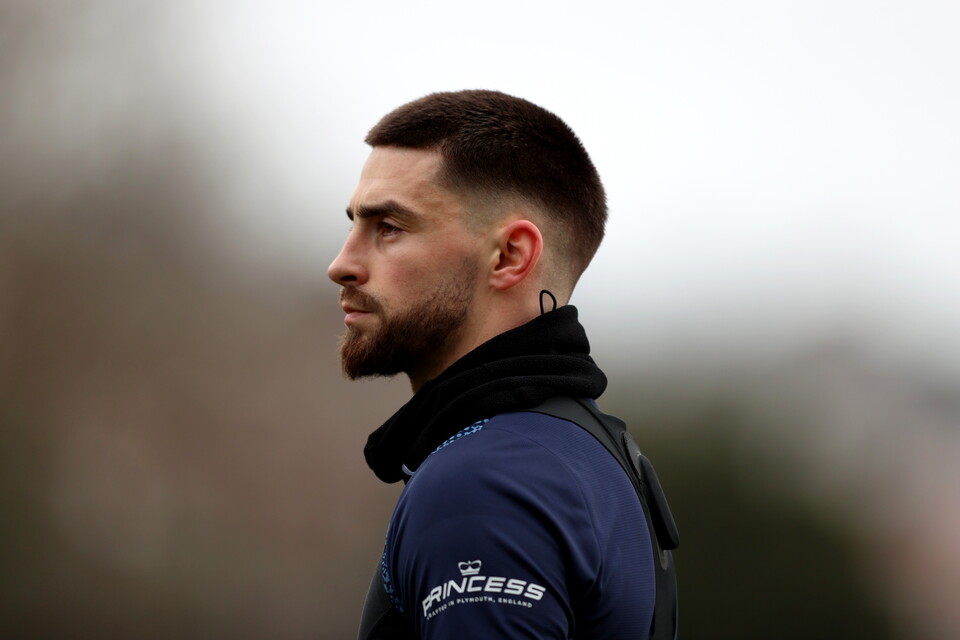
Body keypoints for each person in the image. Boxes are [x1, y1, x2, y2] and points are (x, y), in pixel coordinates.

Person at [329, 90, 662, 639]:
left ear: (509, 256)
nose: (341, 264)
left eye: (387, 226)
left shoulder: (484, 482)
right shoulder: (588, 454)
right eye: (352, 225)